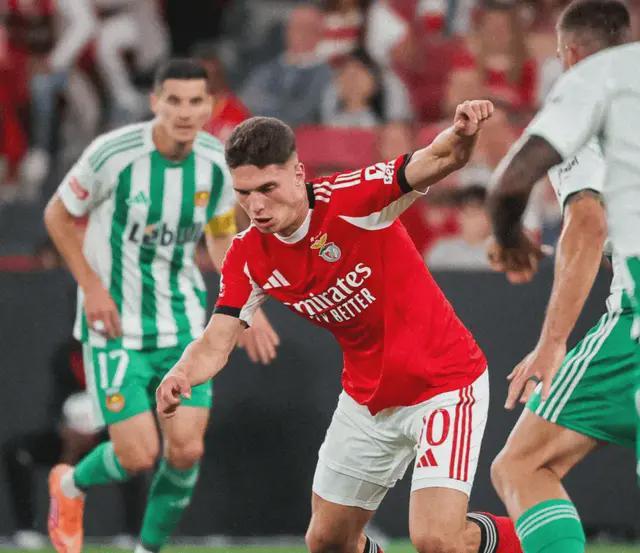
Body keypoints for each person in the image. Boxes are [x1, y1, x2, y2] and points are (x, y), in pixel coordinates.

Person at [157, 105, 526, 553]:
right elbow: (217, 340)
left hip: (444, 383)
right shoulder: (247, 256)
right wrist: (181, 373)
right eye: (244, 193)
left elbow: (439, 158)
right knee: (328, 541)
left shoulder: (352, 199)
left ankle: (546, 540)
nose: (256, 206)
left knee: (438, 540)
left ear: (298, 174)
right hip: (367, 399)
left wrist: (462, 135)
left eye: (268, 188)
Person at [43, 58, 279, 553]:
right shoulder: (113, 154)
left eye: (195, 101)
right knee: (136, 456)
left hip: (182, 326)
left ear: (209, 106)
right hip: (115, 327)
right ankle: (69, 483)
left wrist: (247, 307)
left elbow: (221, 238)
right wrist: (91, 287)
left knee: (186, 451)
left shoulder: (216, 164)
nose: (185, 111)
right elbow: (58, 215)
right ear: (155, 103)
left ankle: (147, 549)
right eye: (174, 100)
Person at [486, 2, 639, 553]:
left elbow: (585, 220)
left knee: (522, 465)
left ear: (570, 55)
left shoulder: (590, 91)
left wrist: (553, 343)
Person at [1, 337, 146, 550]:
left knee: (135, 454)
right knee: (17, 452)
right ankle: (26, 530)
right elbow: (56, 400)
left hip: (106, 435)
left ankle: (133, 533)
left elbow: (124, 398)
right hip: (67, 437)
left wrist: (104, 426)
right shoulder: (66, 356)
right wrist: (63, 428)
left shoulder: (119, 357)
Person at [241, 4, 333, 127]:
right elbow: (247, 102)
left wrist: (269, 107)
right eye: (296, 27)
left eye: (307, 28)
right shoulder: (267, 69)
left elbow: (303, 113)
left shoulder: (325, 75)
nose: (301, 33)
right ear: (286, 31)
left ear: (319, 34)